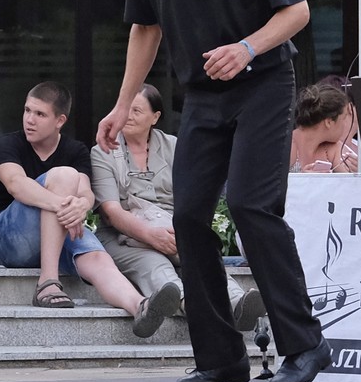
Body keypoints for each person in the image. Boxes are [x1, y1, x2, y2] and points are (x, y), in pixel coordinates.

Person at [97, 0, 329, 382]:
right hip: (200, 94)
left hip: (263, 84)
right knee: (188, 217)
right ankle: (222, 359)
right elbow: (145, 29)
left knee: (251, 206)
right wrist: (122, 105)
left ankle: (305, 344)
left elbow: (296, 12)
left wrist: (247, 46)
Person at [0, 83, 161, 331]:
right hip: (9, 241)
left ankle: (140, 307)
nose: (29, 120)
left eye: (40, 114)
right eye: (27, 111)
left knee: (96, 256)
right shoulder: (9, 144)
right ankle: (47, 282)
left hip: (57, 237)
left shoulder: (75, 150)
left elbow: (85, 193)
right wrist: (65, 207)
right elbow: (16, 184)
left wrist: (81, 206)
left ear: (60, 121)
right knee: (64, 176)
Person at [91, 83, 261, 331]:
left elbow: (194, 197)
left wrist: (182, 233)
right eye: (125, 108)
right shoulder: (103, 150)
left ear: (155, 117)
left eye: (136, 111)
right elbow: (111, 212)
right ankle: (189, 304)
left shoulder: (175, 146)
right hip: (122, 236)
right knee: (154, 264)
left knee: (199, 255)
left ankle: (237, 304)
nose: (128, 116)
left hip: (172, 227)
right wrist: (151, 235)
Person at [289, 83, 360, 174]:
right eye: (344, 118)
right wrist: (302, 179)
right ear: (329, 122)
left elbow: (348, 180)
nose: (345, 124)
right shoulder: (287, 146)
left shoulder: (335, 148)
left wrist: (356, 173)